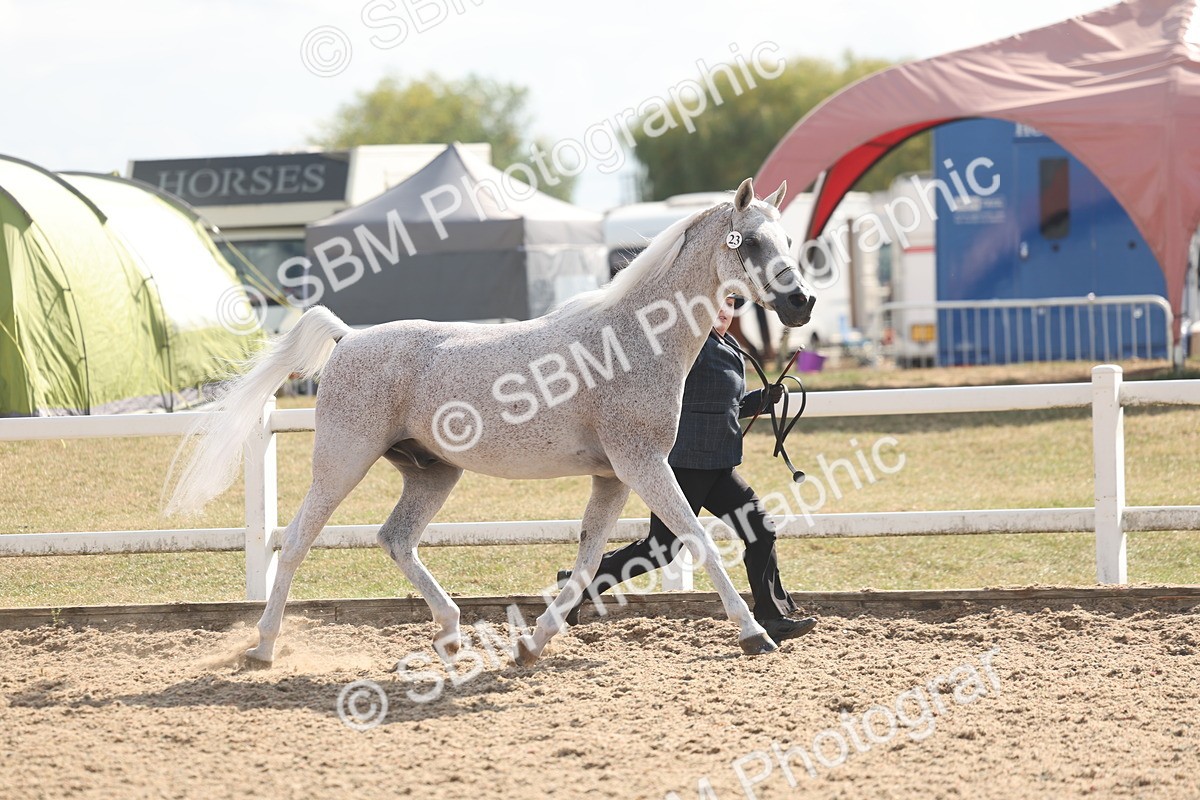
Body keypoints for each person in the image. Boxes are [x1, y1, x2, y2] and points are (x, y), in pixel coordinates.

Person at [558, 295, 818, 644]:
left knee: (760, 529)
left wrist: (762, 400)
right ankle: (578, 584)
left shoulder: (731, 347)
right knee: (662, 550)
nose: (725, 310)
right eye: (719, 302)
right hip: (686, 465)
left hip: (719, 466)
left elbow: (728, 405)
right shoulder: (686, 346)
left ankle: (772, 615)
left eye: (731, 303)